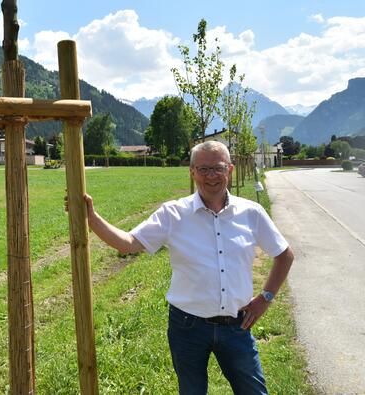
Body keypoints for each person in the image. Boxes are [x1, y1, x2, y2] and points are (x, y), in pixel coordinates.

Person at [79, 141, 294, 394]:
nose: (211, 176)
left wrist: (265, 298)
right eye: (203, 169)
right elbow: (128, 243)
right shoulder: (173, 214)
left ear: (230, 170)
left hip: (237, 327)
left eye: (218, 168)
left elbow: (284, 255)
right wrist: (91, 218)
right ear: (192, 172)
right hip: (187, 327)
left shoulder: (251, 213)